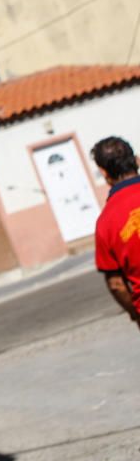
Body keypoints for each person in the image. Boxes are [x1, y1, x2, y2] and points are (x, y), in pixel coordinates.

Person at [91, 136, 140, 331]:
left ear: (104, 172)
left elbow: (116, 284)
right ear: (136, 160)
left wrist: (135, 314)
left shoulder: (106, 222)